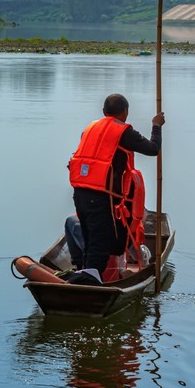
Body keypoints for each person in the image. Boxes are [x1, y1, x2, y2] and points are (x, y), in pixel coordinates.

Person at [67, 93, 164, 285]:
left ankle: (81, 269)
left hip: (80, 192)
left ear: (104, 112)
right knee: (100, 242)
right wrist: (156, 126)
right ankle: (90, 281)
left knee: (89, 235)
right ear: (125, 112)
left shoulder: (90, 128)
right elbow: (153, 149)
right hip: (103, 197)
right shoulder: (123, 131)